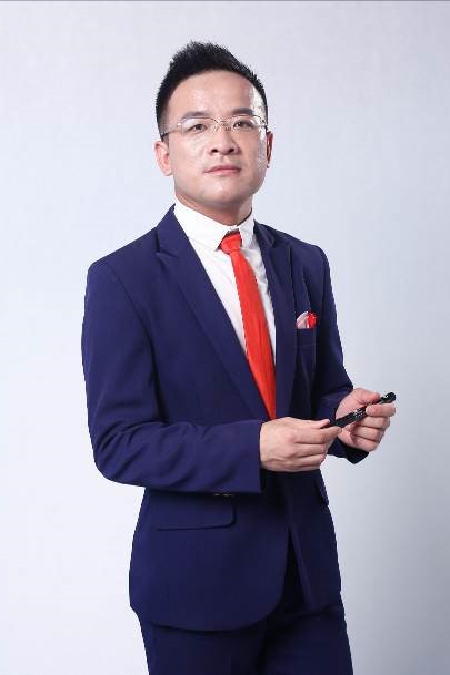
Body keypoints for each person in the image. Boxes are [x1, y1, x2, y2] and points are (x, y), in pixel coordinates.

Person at [81, 41, 396, 675]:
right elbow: (119, 443)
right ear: (164, 153)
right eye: (198, 126)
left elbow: (321, 388)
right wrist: (252, 447)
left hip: (307, 580)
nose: (223, 142)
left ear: (267, 146)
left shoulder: (305, 262)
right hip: (195, 588)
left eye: (242, 123)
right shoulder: (123, 279)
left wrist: (347, 417)